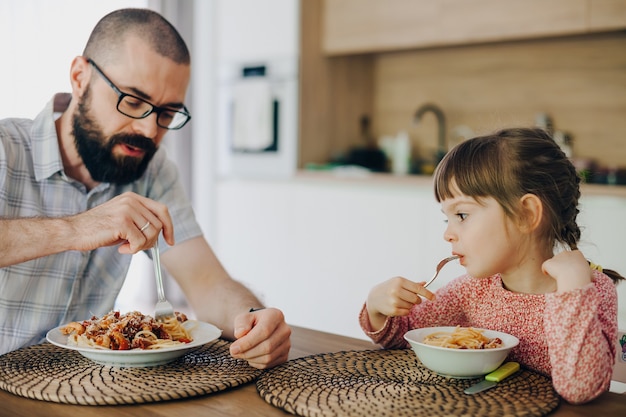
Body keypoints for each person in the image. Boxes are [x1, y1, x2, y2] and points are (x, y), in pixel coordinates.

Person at [0, 8, 291, 369]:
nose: (150, 130)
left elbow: (207, 283)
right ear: (79, 77)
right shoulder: (5, 148)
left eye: (167, 113)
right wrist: (77, 228)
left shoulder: (151, 169)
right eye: (133, 102)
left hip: (81, 390)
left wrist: (253, 319)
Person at [359, 127, 623, 404]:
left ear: (526, 214)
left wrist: (573, 291)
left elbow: (580, 388)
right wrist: (377, 305)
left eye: (461, 214)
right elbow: (405, 334)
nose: (447, 233)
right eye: (446, 219)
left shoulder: (591, 291)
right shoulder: (472, 290)